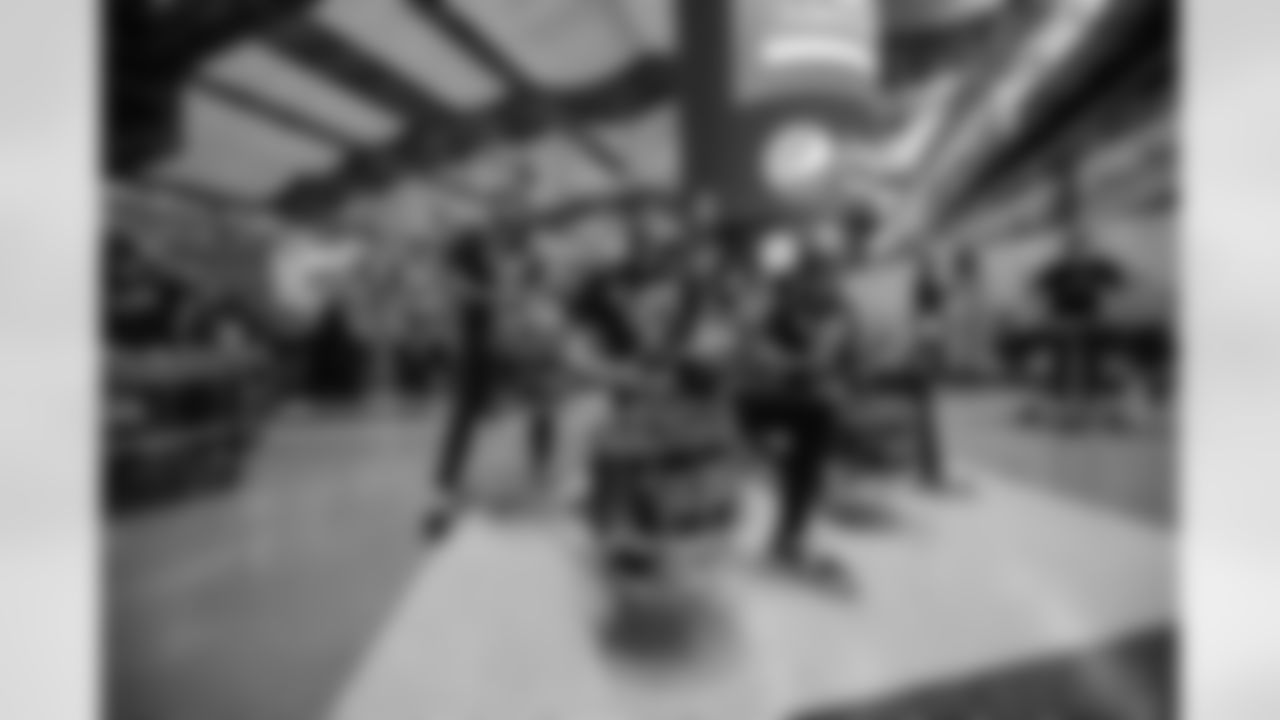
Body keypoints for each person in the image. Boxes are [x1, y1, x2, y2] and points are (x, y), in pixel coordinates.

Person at [1032, 235, 1126, 428]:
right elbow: (1037, 287)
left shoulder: (1096, 268)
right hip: (1063, 324)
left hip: (1090, 324)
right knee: (1064, 365)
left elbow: (1119, 281)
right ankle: (1064, 410)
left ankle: (1091, 407)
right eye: (1074, 249)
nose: (1078, 253)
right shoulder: (1058, 270)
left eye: (1081, 249)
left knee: (1093, 363)